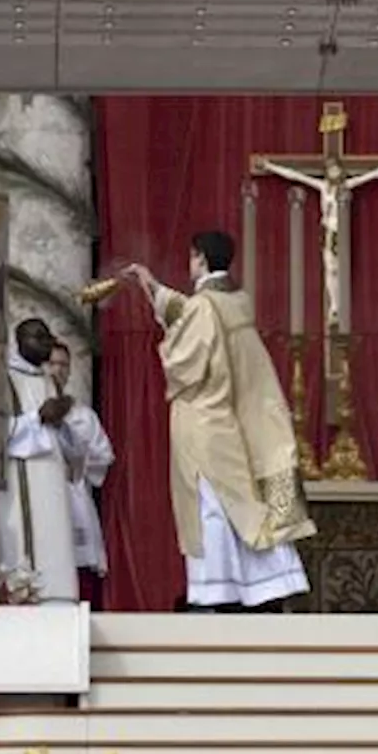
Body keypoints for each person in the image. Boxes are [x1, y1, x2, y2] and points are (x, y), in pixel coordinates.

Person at [123, 231, 316, 613]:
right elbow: (191, 315)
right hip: (240, 421)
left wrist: (167, 351)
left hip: (207, 424)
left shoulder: (205, 307)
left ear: (198, 258)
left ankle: (215, 593)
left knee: (212, 509)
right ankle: (263, 589)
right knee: (246, 505)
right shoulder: (234, 302)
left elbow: (186, 363)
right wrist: (152, 286)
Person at [0, 317, 80, 604]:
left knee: (56, 540)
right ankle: (26, 594)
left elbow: (65, 444)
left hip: (52, 477)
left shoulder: (49, 380)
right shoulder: (3, 378)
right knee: (24, 543)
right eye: (39, 338)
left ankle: (61, 596)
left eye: (47, 338)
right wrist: (38, 417)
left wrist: (63, 420)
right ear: (20, 342)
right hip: (20, 477)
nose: (47, 344)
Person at [45, 340, 115, 609]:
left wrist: (80, 462)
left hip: (73, 494)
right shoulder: (30, 408)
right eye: (52, 363)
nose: (57, 370)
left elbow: (104, 455)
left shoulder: (83, 415)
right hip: (42, 496)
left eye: (63, 364)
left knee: (80, 567)